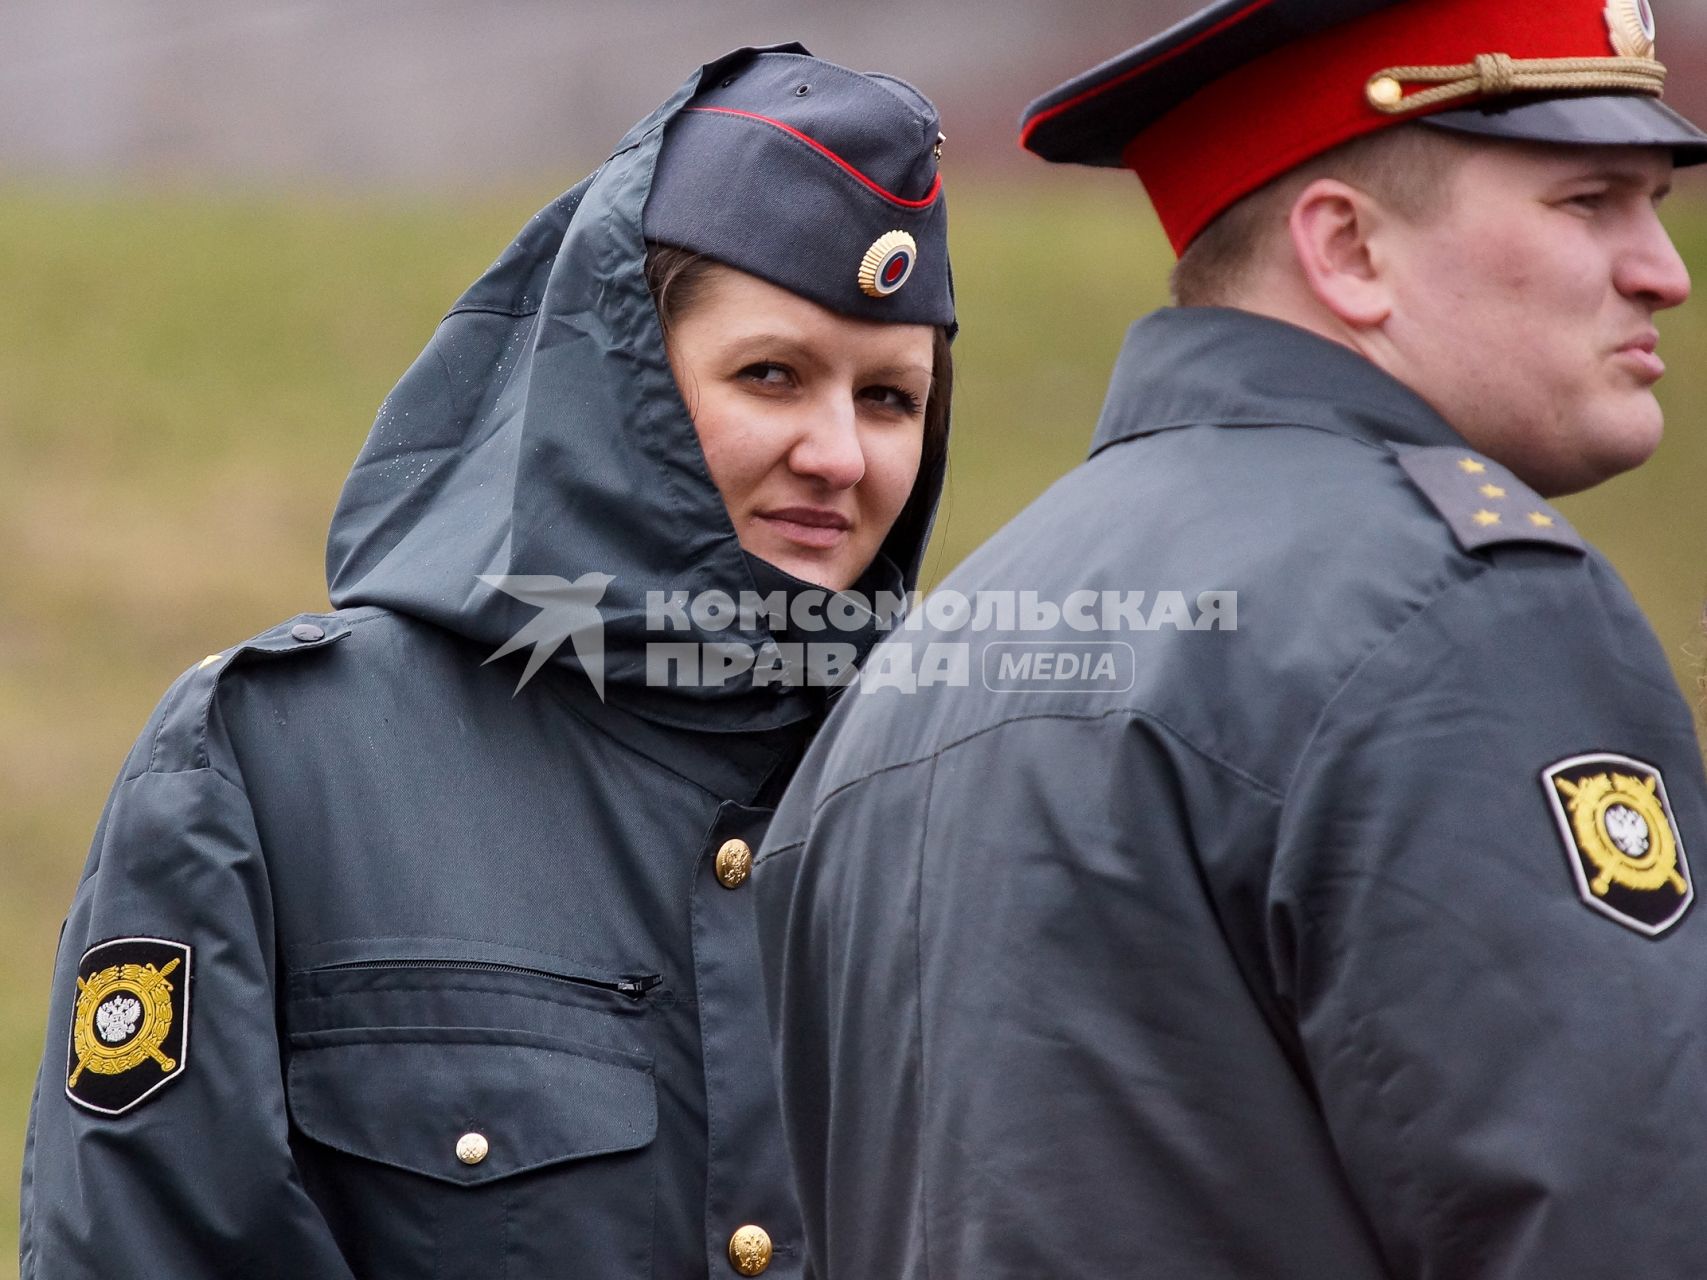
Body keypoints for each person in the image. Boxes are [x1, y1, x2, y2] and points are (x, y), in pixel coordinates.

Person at [754, 1, 1707, 1275]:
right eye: (1590, 201)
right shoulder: (1457, 606)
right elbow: (1618, 1221)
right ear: (1348, 250)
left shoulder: (927, 662)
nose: (1664, 268)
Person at [20, 43, 952, 1280]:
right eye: (771, 374)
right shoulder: (286, 764)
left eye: (889, 397)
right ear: (621, 378)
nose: (839, 453)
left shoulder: (968, 780)